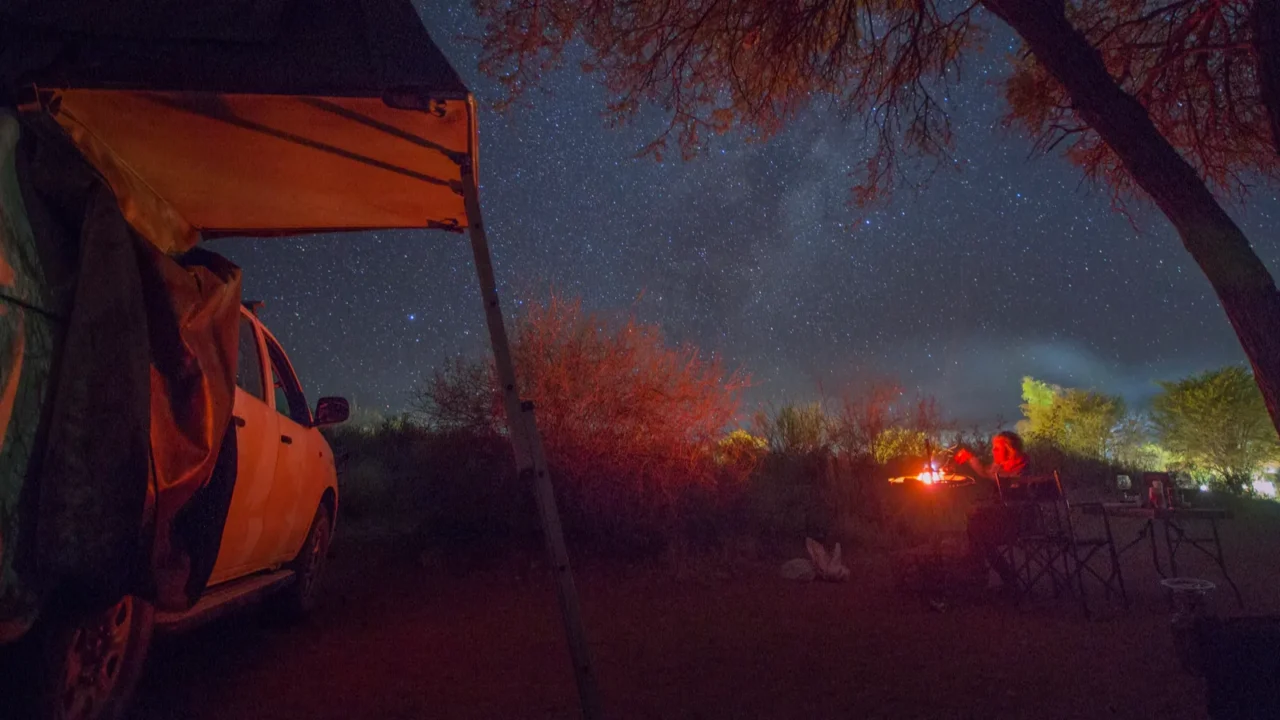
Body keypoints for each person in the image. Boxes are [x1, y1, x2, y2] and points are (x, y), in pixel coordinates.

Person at [951, 432, 1030, 593]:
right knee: (975, 527)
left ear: (1009, 450)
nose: (993, 451)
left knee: (976, 531)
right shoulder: (1000, 467)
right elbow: (986, 473)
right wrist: (970, 458)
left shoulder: (1019, 468)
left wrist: (983, 507)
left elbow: (1009, 496)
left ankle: (977, 576)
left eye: (997, 448)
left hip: (1016, 521)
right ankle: (982, 577)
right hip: (1002, 518)